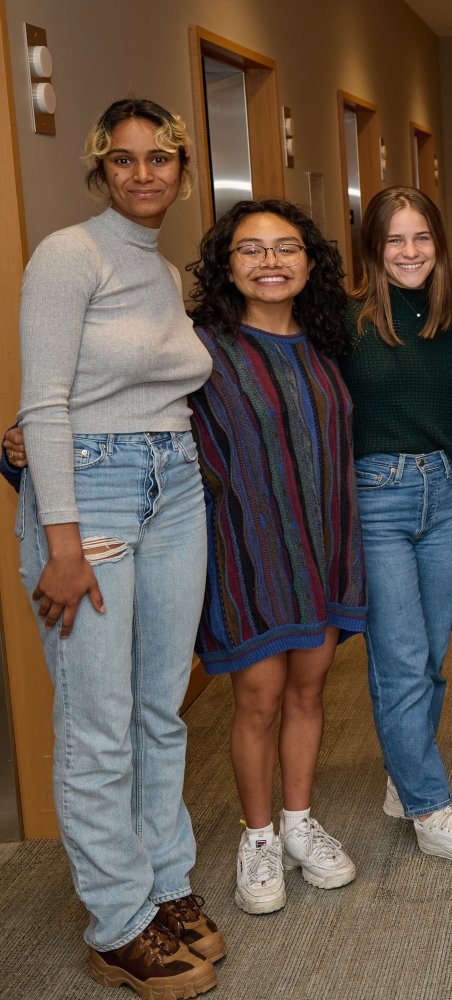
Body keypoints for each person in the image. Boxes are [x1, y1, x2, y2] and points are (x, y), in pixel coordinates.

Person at [16, 98, 218, 1000]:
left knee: (160, 707)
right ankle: (117, 921)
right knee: (97, 724)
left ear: (181, 168)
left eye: (162, 159)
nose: (145, 175)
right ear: (102, 168)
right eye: (127, 160)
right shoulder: (71, 253)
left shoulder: (167, 271)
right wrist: (61, 541)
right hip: (90, 495)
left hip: (174, 482)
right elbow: (45, 403)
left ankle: (165, 885)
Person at [181, 200, 365, 915]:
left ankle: (298, 821)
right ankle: (257, 838)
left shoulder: (328, 344)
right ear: (227, 267)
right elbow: (122, 400)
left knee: (309, 692)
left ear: (310, 262)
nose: (270, 262)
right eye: (251, 250)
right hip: (249, 555)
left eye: (286, 248)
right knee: (257, 699)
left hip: (322, 548)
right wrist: (27, 442)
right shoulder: (200, 349)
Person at [342, 186, 452, 867]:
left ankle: (400, 777)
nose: (409, 252)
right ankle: (429, 807)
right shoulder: (347, 319)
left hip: (442, 497)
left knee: (431, 660)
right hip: (376, 500)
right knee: (402, 661)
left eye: (421, 238)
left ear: (439, 246)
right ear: (373, 248)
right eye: (394, 240)